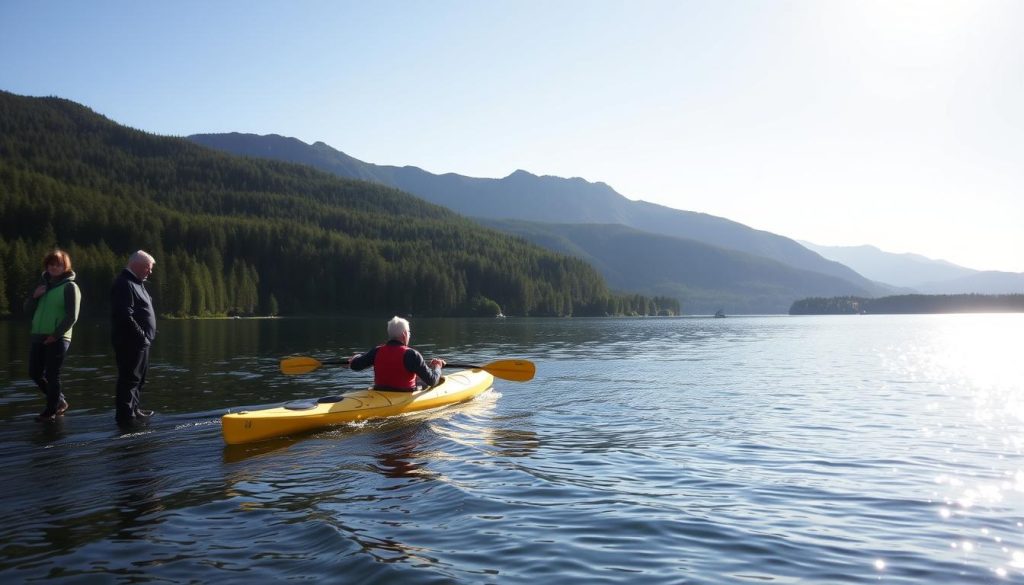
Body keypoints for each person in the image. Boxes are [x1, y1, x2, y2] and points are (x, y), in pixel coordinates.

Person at [24, 249, 81, 423]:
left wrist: (56, 335)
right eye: (51, 264)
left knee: (52, 374)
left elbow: (72, 316)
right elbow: (27, 311)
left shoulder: (70, 287)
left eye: (58, 264)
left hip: (58, 337)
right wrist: (34, 297)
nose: (54, 267)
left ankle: (50, 411)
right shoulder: (43, 287)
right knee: (34, 372)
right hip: (38, 335)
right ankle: (60, 401)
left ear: (65, 266)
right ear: (47, 266)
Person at [111, 250, 157, 426]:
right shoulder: (124, 283)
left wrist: (147, 337)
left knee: (139, 378)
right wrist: (142, 337)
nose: (150, 272)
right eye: (148, 268)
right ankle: (125, 416)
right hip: (130, 342)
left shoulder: (137, 283)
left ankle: (134, 409)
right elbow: (124, 315)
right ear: (135, 265)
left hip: (141, 342)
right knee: (129, 379)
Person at [349, 316, 446, 390]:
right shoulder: (412, 355)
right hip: (403, 395)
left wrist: (356, 357)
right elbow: (432, 381)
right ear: (404, 334)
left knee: (418, 378)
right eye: (409, 332)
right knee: (428, 379)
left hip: (380, 392)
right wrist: (437, 366)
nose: (409, 335)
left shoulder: (376, 351)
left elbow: (354, 365)